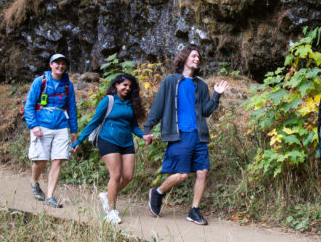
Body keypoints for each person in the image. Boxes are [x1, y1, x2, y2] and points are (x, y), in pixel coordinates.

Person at [143, 45, 229, 224]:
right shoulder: (170, 81)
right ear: (184, 58)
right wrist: (148, 128)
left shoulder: (201, 85)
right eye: (193, 56)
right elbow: (158, 106)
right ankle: (157, 192)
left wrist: (216, 96)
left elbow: (205, 111)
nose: (197, 59)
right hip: (179, 134)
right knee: (182, 175)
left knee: (202, 172)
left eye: (199, 57)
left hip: (199, 134)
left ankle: (194, 210)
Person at [70, 73, 155, 224]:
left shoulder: (130, 104)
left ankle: (107, 195)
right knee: (115, 175)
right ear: (116, 85)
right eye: (124, 85)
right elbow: (94, 122)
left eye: (130, 86)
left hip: (127, 142)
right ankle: (110, 211)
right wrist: (79, 141)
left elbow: (133, 126)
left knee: (128, 176)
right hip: (108, 140)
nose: (127, 88)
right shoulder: (108, 101)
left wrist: (143, 136)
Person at [23, 52, 78, 209]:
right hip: (42, 124)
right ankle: (34, 182)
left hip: (61, 126)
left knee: (58, 160)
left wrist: (74, 130)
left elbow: (72, 108)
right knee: (41, 160)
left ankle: (49, 196)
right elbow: (30, 105)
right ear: (51, 65)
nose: (60, 66)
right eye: (57, 63)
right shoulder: (40, 82)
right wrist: (34, 126)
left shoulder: (68, 85)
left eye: (62, 63)